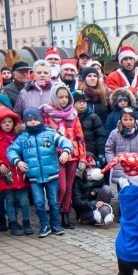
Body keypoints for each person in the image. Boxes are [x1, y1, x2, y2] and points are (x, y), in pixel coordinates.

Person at [7, 108, 73, 237]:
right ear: (25, 122)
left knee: (53, 201)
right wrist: (17, 161)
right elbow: (11, 150)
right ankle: (44, 225)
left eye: (35, 119)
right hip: (34, 176)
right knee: (38, 202)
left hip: (52, 174)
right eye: (29, 120)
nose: (32, 122)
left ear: (40, 119)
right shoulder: (22, 138)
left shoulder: (49, 133)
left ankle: (55, 224)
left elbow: (65, 141)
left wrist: (65, 151)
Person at [42, 85, 86, 229]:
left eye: (66, 97)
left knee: (69, 187)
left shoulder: (73, 115)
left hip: (73, 155)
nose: (64, 100)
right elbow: (46, 138)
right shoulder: (47, 115)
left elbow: (80, 138)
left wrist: (83, 158)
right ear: (54, 97)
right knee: (60, 187)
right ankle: (54, 213)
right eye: (60, 97)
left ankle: (65, 214)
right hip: (56, 155)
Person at [0, 107, 32, 236]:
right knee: (10, 201)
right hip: (6, 176)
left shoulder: (21, 138)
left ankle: (26, 222)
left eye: (9, 122)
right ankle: (13, 223)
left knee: (24, 201)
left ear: (14, 123)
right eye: (3, 122)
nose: (7, 124)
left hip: (21, 175)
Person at [105, 107, 138, 192]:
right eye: (125, 119)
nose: (128, 122)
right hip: (119, 168)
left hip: (135, 168)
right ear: (121, 120)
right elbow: (109, 149)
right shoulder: (115, 133)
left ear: (135, 120)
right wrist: (113, 162)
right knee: (122, 192)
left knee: (135, 192)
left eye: (131, 119)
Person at [72, 156, 113, 226]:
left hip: (98, 203)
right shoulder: (77, 180)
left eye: (93, 166)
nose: (91, 169)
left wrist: (95, 191)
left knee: (107, 189)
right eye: (88, 167)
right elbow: (77, 202)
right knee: (102, 211)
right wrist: (93, 203)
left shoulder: (98, 176)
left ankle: (102, 216)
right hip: (85, 208)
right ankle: (98, 217)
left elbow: (103, 189)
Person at [73, 91, 107, 169]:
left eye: (84, 102)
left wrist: (101, 153)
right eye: (79, 102)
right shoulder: (70, 118)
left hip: (91, 153)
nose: (82, 104)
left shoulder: (93, 117)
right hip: (75, 154)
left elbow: (101, 137)